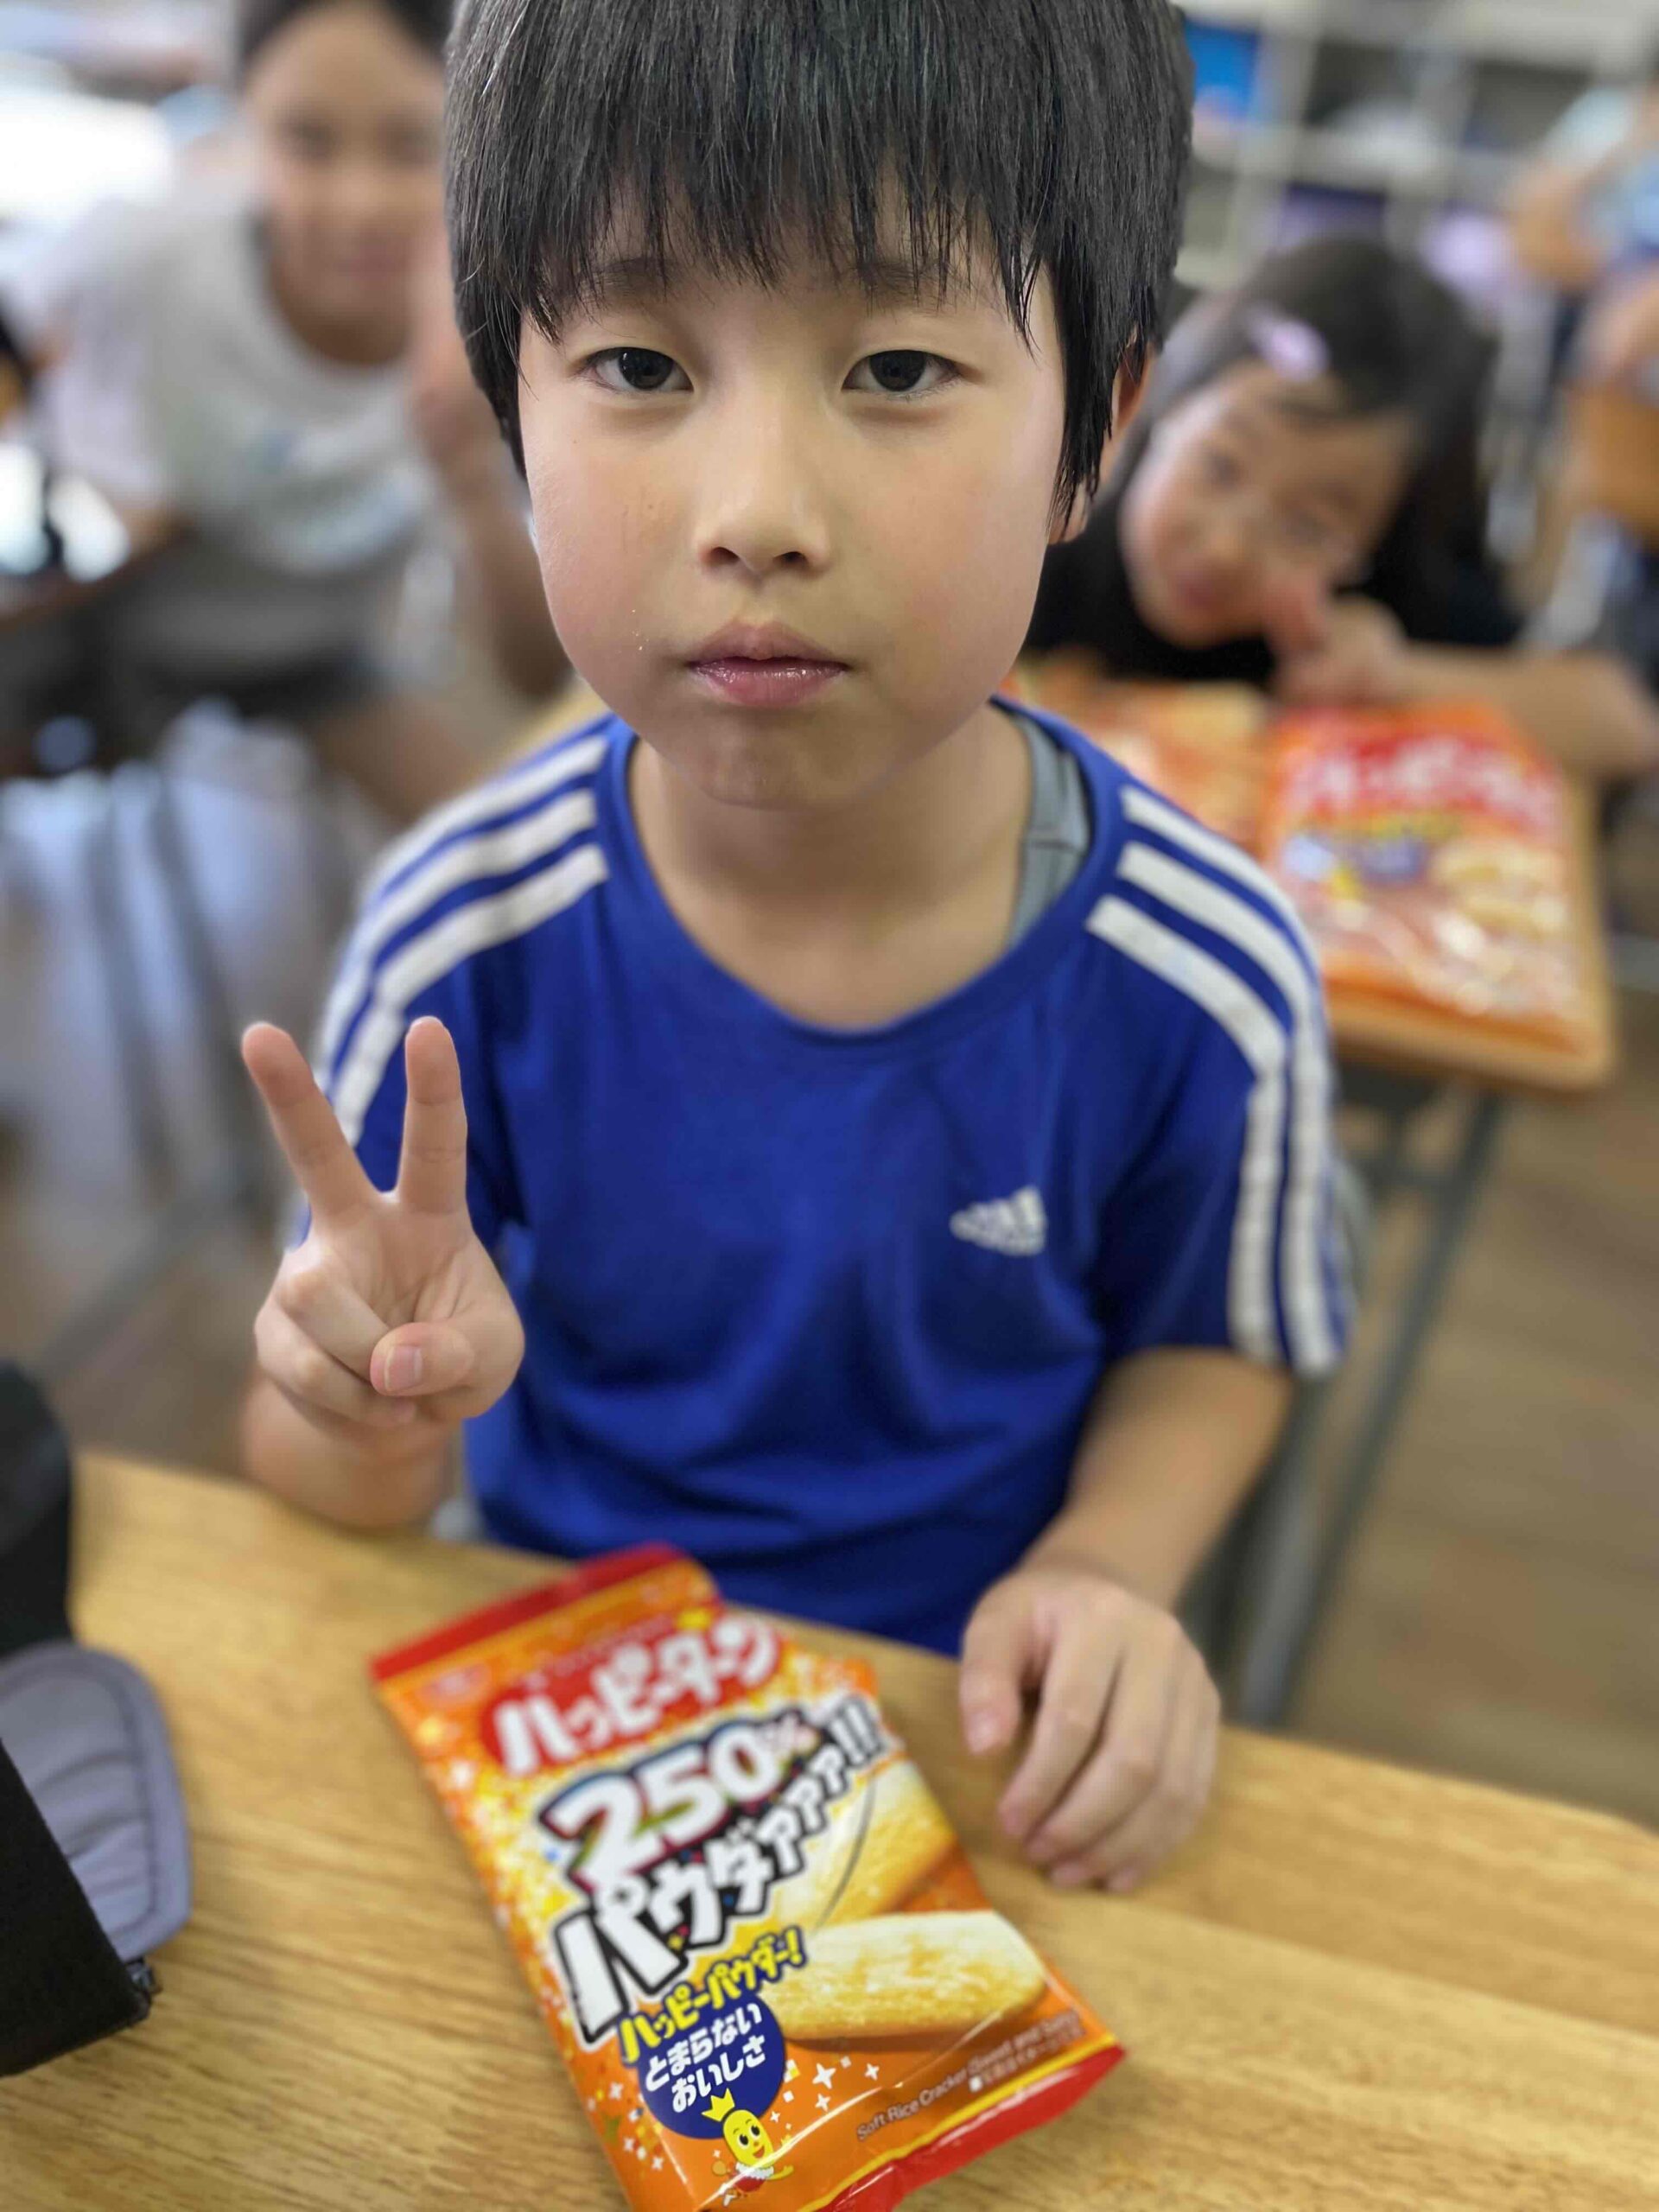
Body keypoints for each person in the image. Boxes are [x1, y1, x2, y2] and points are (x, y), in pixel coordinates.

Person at [238, 0, 1350, 1897]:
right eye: (639, 362)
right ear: (511, 415)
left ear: (1097, 429)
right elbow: (322, 1490)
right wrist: (366, 1401)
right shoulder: (461, 936)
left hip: (973, 1733)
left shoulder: (1206, 973)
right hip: (572, 1727)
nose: (756, 514)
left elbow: (1215, 1333)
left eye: (898, 364)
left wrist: (1108, 1567)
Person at [0, 0, 566, 825]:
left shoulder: (493, 329)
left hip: (315, 654)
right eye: (308, 141)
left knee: (495, 845)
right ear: (241, 125)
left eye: (410, 144)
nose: (360, 202)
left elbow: (538, 675)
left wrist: (474, 478)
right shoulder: (134, 251)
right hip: (95, 630)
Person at [1026, 235, 1659, 783]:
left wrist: (1396, 677)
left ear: (1378, 540)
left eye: (1309, 526)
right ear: (1152, 410)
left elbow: (1625, 727)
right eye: (1218, 467)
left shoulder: (1373, 613)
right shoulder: (1047, 537)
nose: (1227, 549)